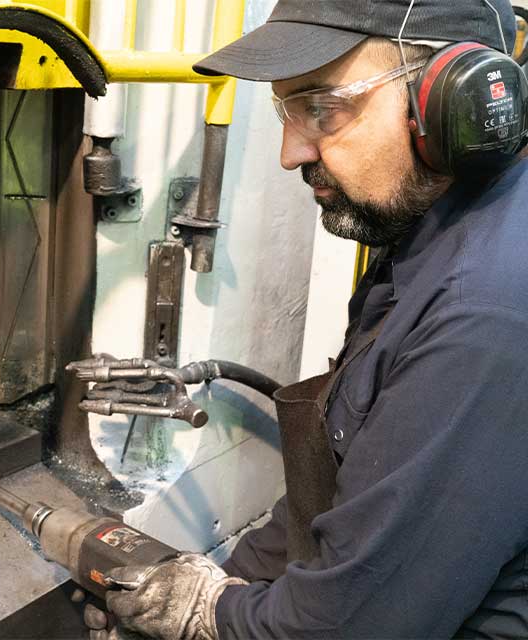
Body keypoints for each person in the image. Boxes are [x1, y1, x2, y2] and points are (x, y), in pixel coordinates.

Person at [100, 1, 528, 638]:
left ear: (452, 103)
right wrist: (222, 580)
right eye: (285, 111)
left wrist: (208, 617)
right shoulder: (427, 227)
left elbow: (359, 625)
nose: (290, 152)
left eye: (321, 108)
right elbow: (345, 492)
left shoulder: (485, 312)